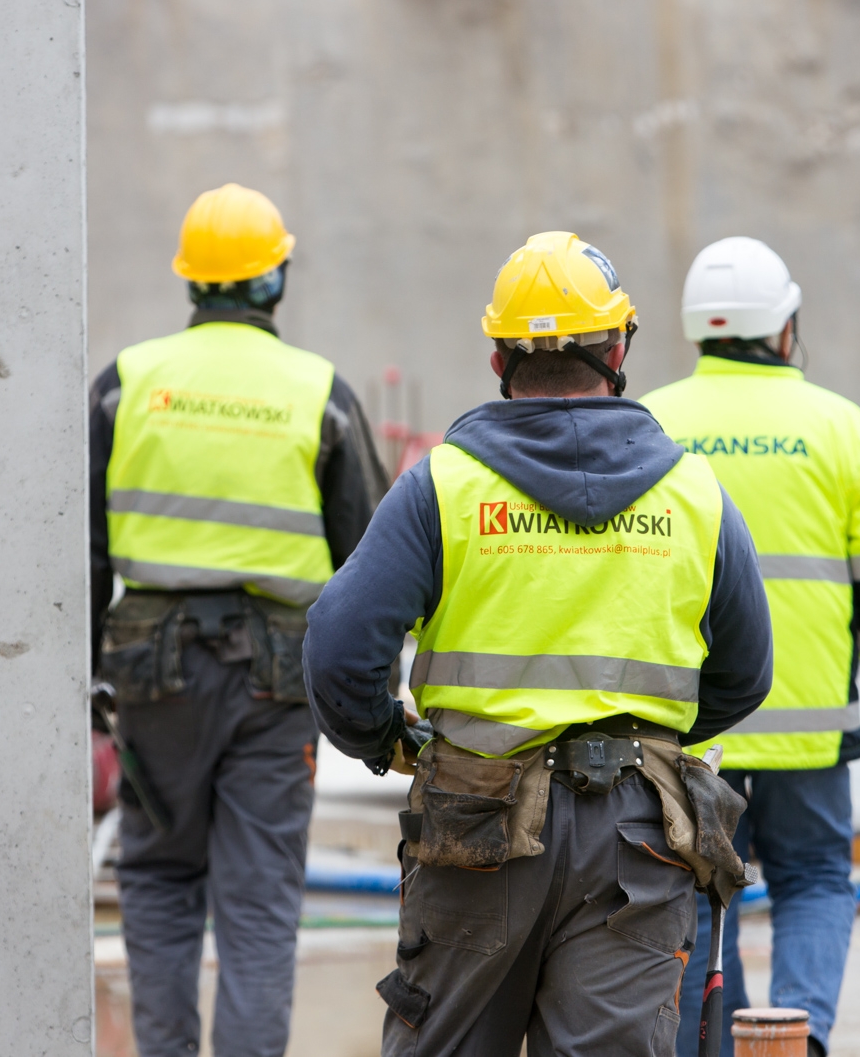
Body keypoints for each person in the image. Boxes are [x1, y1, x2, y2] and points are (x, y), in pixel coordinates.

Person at [303, 231, 774, 1057]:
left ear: (497, 359)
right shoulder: (694, 492)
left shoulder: (443, 486)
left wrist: (388, 739)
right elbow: (745, 670)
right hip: (639, 840)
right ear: (619, 346)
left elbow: (340, 647)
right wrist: (651, 749)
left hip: (475, 823)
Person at [89, 183, 388, 1057]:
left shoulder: (126, 385)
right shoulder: (319, 393)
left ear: (191, 280)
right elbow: (367, 567)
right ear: (276, 279)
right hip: (273, 679)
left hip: (153, 673)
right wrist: (366, 707)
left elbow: (81, 551)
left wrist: (85, 680)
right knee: (257, 901)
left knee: (157, 877)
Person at [640, 236, 860, 1057]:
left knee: (693, 893)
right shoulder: (841, 427)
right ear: (786, 328)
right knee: (811, 883)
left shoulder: (652, 424)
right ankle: (795, 1042)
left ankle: (707, 1043)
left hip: (690, 736)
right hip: (808, 730)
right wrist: (847, 644)